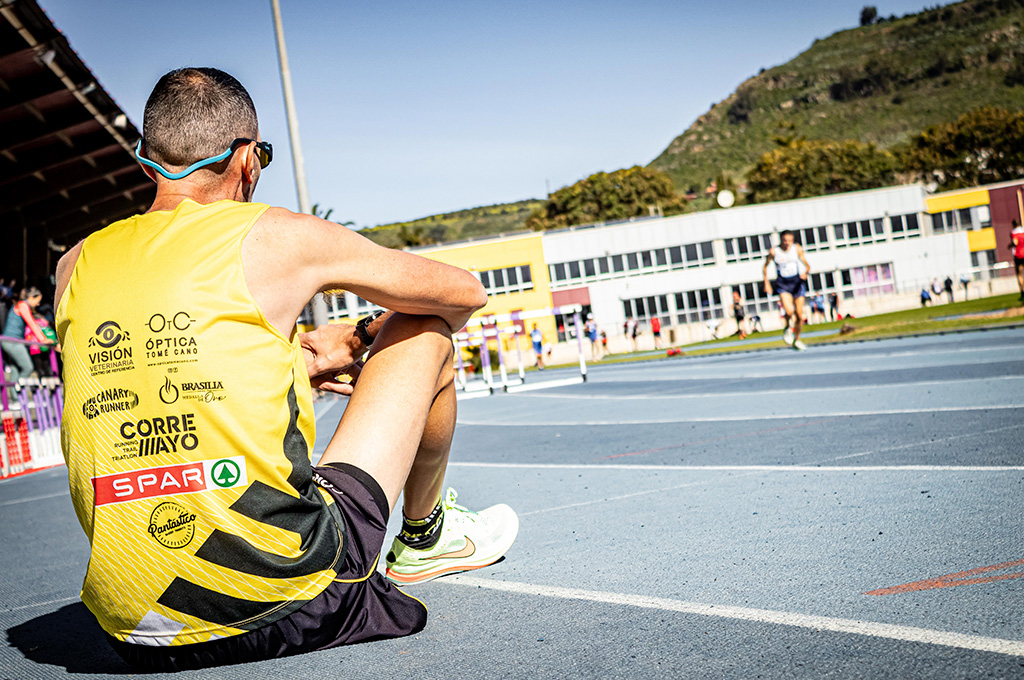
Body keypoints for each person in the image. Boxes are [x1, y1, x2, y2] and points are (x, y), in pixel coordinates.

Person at [53, 68, 518, 672]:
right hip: (286, 597)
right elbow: (463, 295)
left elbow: (160, 374)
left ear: (146, 161)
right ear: (249, 160)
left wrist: (298, 357)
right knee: (424, 329)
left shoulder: (74, 265)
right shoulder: (275, 236)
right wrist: (364, 334)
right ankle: (426, 538)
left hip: (129, 627)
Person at [764, 230, 811, 351]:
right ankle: (787, 328)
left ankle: (797, 339)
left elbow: (807, 265)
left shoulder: (797, 249)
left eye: (789, 241)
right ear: (781, 240)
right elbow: (765, 266)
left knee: (800, 315)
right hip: (783, 284)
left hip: (796, 282)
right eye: (785, 241)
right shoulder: (775, 251)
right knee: (789, 312)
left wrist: (806, 272)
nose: (787, 243)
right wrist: (766, 282)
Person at [1, 287, 53, 384]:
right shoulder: (23, 305)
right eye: (38, 301)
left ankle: (14, 397)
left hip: (10, 341)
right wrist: (43, 340)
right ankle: (19, 390)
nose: (38, 304)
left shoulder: (24, 305)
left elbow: (36, 324)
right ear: (31, 298)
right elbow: (31, 323)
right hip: (12, 341)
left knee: (15, 369)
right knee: (28, 367)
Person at [1010, 219, 1024, 302]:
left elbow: (1015, 243)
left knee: (1019, 274)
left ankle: (1022, 292)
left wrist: (1010, 245)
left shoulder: (1014, 232)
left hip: (1019, 255)